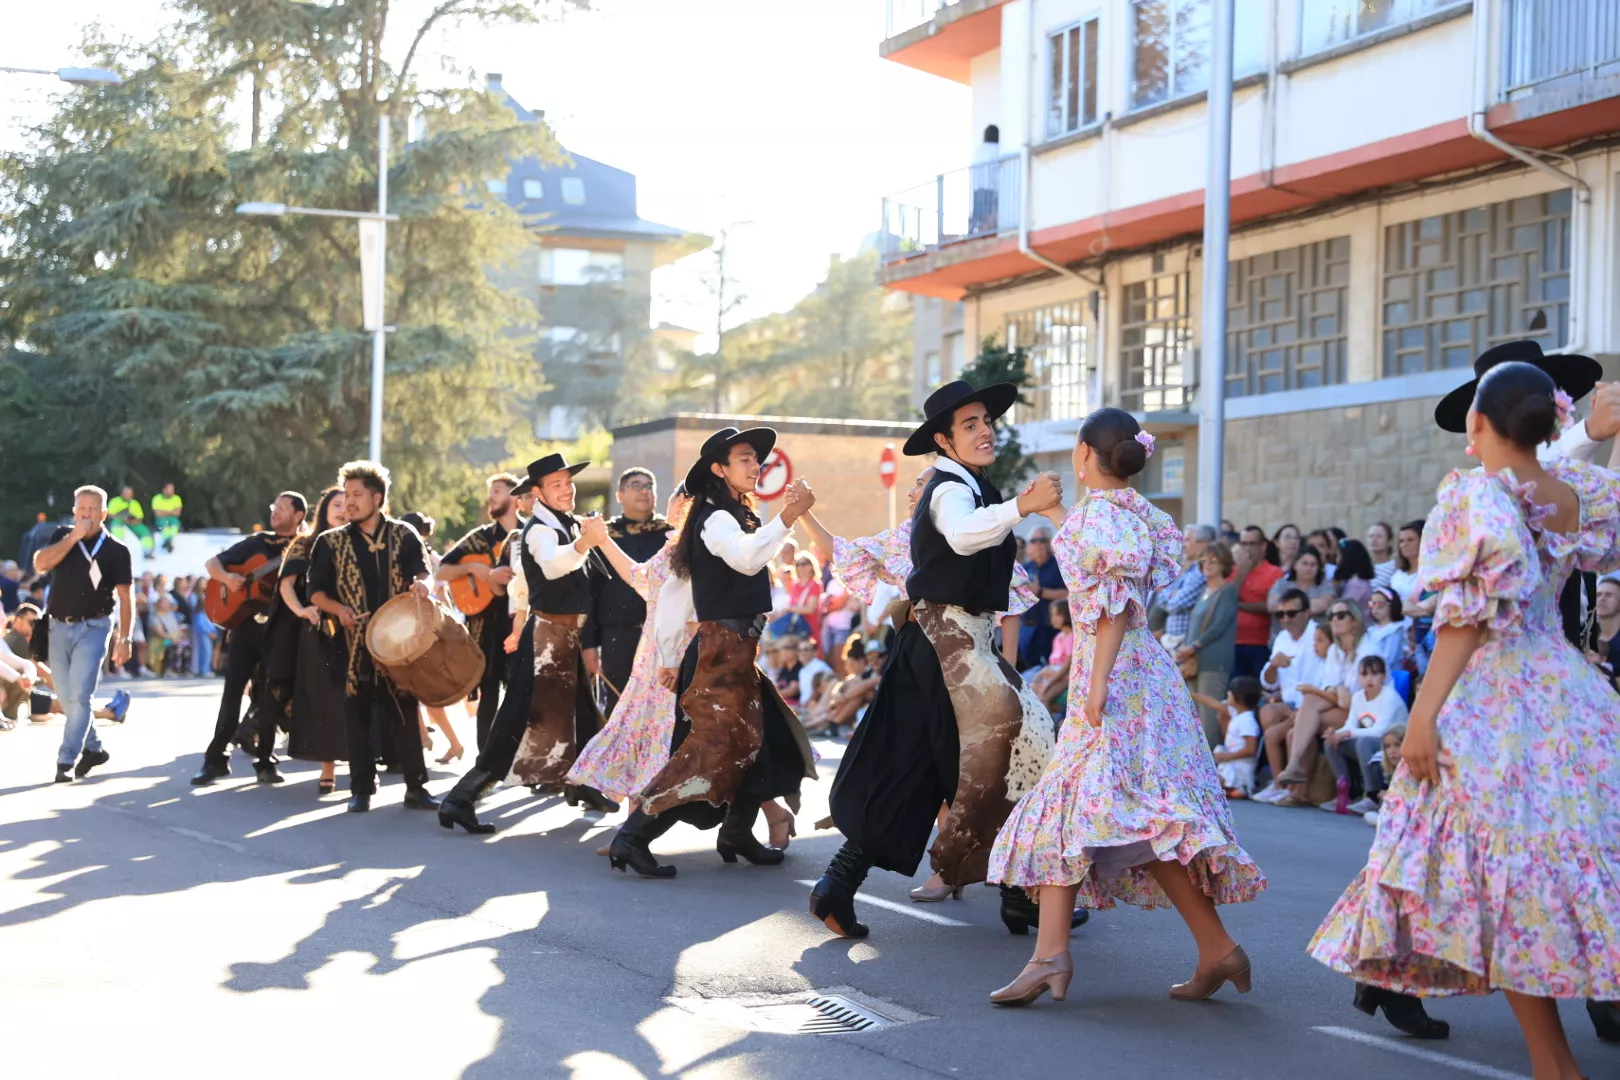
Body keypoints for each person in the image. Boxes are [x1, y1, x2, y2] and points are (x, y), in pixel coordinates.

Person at [1310, 355, 1620, 1074]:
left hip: (1494, 696)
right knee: (1549, 858)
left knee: (1495, 870)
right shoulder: (1576, 489)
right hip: (1567, 691)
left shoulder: (1472, 496)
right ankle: (1547, 1053)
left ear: (1477, 424)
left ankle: (1552, 1061)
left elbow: (1465, 623)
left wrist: (1422, 718)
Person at [987, 408, 1264, 1007]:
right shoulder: (1130, 515)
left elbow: (1111, 607)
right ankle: (1214, 948)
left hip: (1116, 681)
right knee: (1132, 815)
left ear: (1085, 454)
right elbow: (1095, 554)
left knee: (1075, 808)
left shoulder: (1102, 523)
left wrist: (1094, 689)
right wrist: (1052, 512)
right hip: (1144, 678)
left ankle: (1051, 958)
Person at [807, 380, 1068, 939]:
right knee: (1005, 752)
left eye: (986, 421)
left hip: (953, 647)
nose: (984, 430)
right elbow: (962, 534)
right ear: (945, 442)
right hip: (944, 649)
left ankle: (1015, 893)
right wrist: (1022, 506)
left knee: (944, 768)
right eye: (969, 425)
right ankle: (1018, 891)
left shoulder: (971, 483)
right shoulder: (952, 487)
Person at [607, 427, 817, 876]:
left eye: (755, 458)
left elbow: (682, 587)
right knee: (708, 749)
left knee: (758, 742)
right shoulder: (715, 518)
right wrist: (789, 516)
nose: (754, 465)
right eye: (743, 458)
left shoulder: (737, 514)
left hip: (738, 649)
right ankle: (633, 836)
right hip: (720, 651)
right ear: (718, 469)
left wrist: (667, 657)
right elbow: (739, 562)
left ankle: (738, 833)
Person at [434, 454, 619, 833]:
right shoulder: (537, 531)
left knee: (584, 716)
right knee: (514, 725)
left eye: (568, 482)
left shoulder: (565, 524)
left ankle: (587, 784)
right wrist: (584, 542)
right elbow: (552, 566)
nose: (566, 489)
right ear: (536, 493)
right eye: (557, 485)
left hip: (563, 637)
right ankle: (460, 799)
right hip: (544, 642)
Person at [306, 461, 438, 814]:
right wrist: (339, 610)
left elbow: (423, 572)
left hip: (400, 640)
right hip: (352, 642)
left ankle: (416, 787)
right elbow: (315, 592)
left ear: (376, 498)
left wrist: (423, 584)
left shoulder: (403, 534)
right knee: (356, 712)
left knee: (405, 709)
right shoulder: (328, 542)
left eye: (356, 495)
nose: (348, 502)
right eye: (346, 495)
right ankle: (362, 788)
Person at [564, 487, 694, 807]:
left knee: (683, 735)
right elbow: (641, 577)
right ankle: (632, 828)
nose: (666, 503)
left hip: (678, 655)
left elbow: (648, 583)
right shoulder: (674, 546)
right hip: (651, 653)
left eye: (673, 498)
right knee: (644, 730)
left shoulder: (695, 547)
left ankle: (767, 812)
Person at [190, 491, 306, 786]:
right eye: (274, 506)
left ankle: (266, 761)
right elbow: (213, 564)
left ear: (299, 516)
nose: (275, 512)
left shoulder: (306, 547)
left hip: (279, 632)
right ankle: (214, 760)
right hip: (244, 630)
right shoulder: (258, 542)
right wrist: (229, 579)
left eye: (282, 508)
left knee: (269, 697)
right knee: (231, 695)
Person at [31, 486, 135, 783]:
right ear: (74, 510)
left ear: (103, 514)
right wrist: (73, 538)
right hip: (58, 625)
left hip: (95, 626)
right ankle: (95, 748)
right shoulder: (62, 535)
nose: (86, 514)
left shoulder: (117, 550)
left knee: (81, 693)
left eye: (92, 509)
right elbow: (41, 564)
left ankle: (65, 759)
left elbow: (126, 598)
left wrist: (124, 638)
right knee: (66, 695)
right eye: (81, 508)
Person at [436, 473, 522, 750]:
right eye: (491, 492)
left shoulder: (529, 535)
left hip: (519, 624)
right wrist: (475, 569)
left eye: (498, 491)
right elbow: (443, 570)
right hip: (486, 625)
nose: (491, 497)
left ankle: (519, 757)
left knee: (521, 692)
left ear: (515, 497)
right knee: (488, 695)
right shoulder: (481, 537)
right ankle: (484, 759)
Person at [273, 487, 348, 796]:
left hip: (356, 629)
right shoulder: (304, 544)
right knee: (324, 700)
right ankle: (327, 768)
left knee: (357, 699)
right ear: (325, 509)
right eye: (338, 504)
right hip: (318, 631)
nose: (344, 509)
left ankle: (364, 767)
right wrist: (302, 610)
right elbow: (286, 585)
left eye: (349, 503)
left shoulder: (359, 543)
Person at [1257, 599, 1365, 805]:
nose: (1335, 619)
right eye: (1331, 615)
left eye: (1341, 615)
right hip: (1336, 705)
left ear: (1355, 620)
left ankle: (1295, 781)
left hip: (1361, 711)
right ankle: (1291, 785)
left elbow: (1348, 701)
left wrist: (1317, 693)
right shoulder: (1336, 651)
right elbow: (1331, 691)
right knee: (1293, 717)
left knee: (1306, 709)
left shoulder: (1367, 650)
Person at [584, 468, 672, 717]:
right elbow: (589, 593)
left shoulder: (670, 533)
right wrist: (590, 645)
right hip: (618, 639)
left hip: (663, 637)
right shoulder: (603, 536)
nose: (644, 491)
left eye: (648, 486)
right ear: (620, 495)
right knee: (619, 710)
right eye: (636, 485)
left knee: (663, 711)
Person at [1319, 655, 1407, 814]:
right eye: (1364, 674)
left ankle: (1372, 796)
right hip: (1372, 742)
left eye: (1374, 674)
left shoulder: (1390, 697)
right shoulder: (1358, 697)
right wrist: (1335, 734)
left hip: (1394, 743)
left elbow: (1381, 731)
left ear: (1384, 676)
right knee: (1331, 743)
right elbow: (1350, 725)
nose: (1369, 679)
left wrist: (1346, 733)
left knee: (1363, 742)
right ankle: (1346, 792)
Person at [1175, 541, 1237, 747]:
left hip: (1213, 661)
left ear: (1223, 564)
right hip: (1193, 660)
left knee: (1209, 717)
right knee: (1192, 716)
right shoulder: (1204, 591)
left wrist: (1194, 646)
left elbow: (1219, 625)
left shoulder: (1227, 591)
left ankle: (1212, 767)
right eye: (1204, 561)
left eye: (1214, 561)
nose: (1208, 565)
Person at [1195, 676, 1262, 798]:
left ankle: (1239, 788)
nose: (1228, 695)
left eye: (1230, 693)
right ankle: (1231, 789)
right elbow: (1211, 702)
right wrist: (1189, 694)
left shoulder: (1247, 720)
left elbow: (1251, 749)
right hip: (1231, 763)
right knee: (1206, 778)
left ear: (1240, 698)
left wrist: (1227, 756)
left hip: (1240, 766)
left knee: (1208, 781)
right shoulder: (1236, 714)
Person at [1231, 525, 1283, 679]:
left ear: (1263, 546)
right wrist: (1241, 572)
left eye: (1252, 544)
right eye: (1244, 544)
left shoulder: (1274, 572)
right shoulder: (1235, 571)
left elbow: (1270, 606)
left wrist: (1239, 604)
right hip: (1234, 642)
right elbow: (1227, 601)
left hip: (1260, 643)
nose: (1247, 549)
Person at [1154, 523, 1213, 646]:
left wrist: (1171, 595)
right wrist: (1172, 594)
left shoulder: (1201, 572)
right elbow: (1161, 598)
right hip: (1174, 643)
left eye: (1187, 540)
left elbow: (1177, 604)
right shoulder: (1189, 570)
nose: (1183, 545)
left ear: (1203, 543)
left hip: (1187, 642)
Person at [1017, 525, 1067, 669]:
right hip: (1027, 626)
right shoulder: (1025, 568)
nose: (1038, 544)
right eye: (1034, 540)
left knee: (1051, 666)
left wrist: (1041, 592)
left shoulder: (1059, 566)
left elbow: (1069, 594)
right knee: (1028, 667)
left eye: (1042, 540)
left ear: (1049, 543)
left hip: (1051, 628)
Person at [1267, 546, 1333, 615]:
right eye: (1305, 563)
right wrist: (1307, 605)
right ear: (1295, 565)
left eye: (1313, 564)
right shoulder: (1281, 583)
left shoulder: (1326, 585)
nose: (1308, 568)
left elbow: (1323, 606)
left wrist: (1286, 605)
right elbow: (1272, 605)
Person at [1030, 601, 1073, 708]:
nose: (1054, 618)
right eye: (1052, 615)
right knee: (1032, 691)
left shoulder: (1071, 636)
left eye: (1058, 614)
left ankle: (1047, 724)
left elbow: (1067, 664)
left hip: (1064, 676)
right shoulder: (1058, 637)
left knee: (1044, 697)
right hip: (1052, 672)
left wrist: (1050, 682)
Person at [1361, 586, 1410, 673]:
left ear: (1391, 605)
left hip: (1388, 674)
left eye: (1380, 605)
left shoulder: (1395, 629)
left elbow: (1389, 658)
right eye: (1372, 604)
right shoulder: (1371, 630)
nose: (1374, 609)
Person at [107, 485, 155, 560]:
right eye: (125, 493)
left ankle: (147, 551)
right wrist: (124, 518)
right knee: (116, 524)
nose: (127, 495)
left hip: (132, 524)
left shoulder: (135, 503)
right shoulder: (115, 501)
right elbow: (111, 515)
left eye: (129, 494)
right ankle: (117, 546)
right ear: (122, 493)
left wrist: (134, 521)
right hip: (119, 522)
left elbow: (140, 517)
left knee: (144, 530)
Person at [1333, 538, 1377, 613]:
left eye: (1338, 555)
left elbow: (1344, 608)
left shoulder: (1357, 584)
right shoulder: (1355, 581)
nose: (1336, 560)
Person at [1388, 520, 1424, 603]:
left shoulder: (1429, 574)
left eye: (1410, 540)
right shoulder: (1397, 575)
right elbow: (1387, 602)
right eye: (1401, 541)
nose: (1405, 544)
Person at [151, 482, 183, 553]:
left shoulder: (177, 498)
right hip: (161, 519)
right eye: (170, 490)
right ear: (164, 490)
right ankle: (168, 542)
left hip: (173, 519)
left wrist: (164, 511)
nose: (172, 492)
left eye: (172, 490)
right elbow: (158, 514)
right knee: (164, 525)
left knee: (175, 526)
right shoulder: (157, 498)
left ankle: (167, 541)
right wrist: (171, 512)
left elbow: (177, 513)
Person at [1366, 521, 1396, 589]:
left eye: (1379, 536)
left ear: (1390, 541)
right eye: (1371, 536)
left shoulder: (1395, 567)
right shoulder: (1362, 566)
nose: (1373, 539)